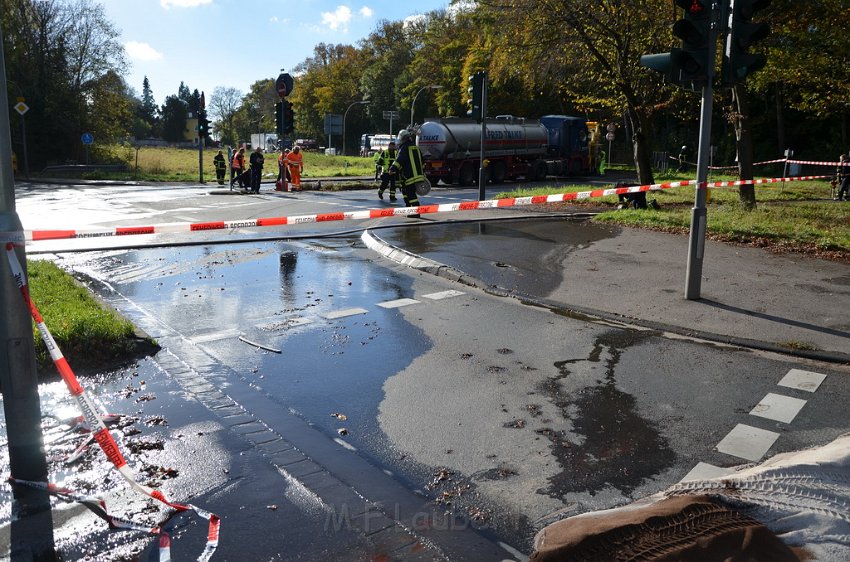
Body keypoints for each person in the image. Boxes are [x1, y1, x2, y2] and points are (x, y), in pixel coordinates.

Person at [391, 129, 425, 218]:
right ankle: (409, 209)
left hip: (410, 176)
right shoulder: (416, 147)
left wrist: (392, 168)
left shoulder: (404, 148)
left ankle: (416, 212)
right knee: (406, 192)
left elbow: (399, 160)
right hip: (418, 175)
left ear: (402, 138)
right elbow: (423, 161)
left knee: (411, 194)